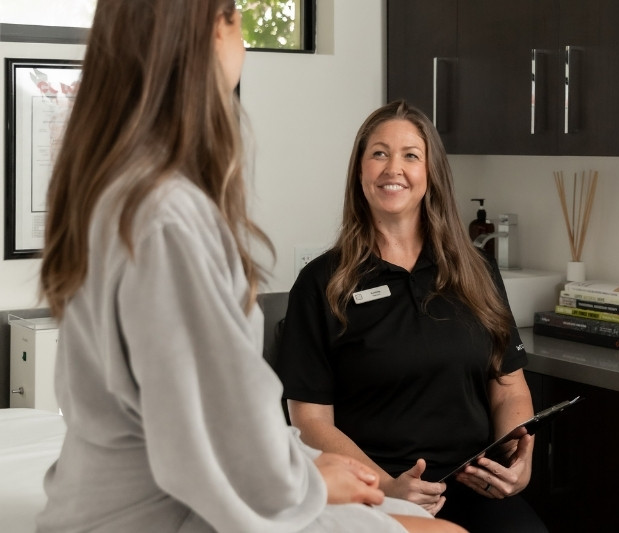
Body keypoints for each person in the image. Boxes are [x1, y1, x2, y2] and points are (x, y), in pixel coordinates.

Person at [36, 2, 466, 532]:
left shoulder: (113, 192)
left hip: (115, 491)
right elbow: (215, 438)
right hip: (161, 511)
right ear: (210, 32)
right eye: (236, 21)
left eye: (410, 156)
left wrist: (307, 468)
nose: (243, 45)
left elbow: (200, 414)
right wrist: (312, 481)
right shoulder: (168, 217)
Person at [276, 100, 549, 533]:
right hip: (370, 490)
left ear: (430, 173)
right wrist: (385, 485)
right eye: (379, 153)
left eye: (410, 155)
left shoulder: (477, 270)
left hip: (473, 482)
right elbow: (309, 419)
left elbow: (508, 386)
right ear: (360, 171)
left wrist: (519, 457)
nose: (393, 169)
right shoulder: (322, 282)